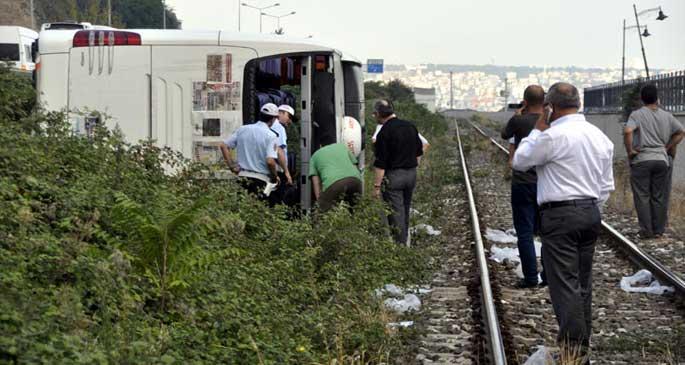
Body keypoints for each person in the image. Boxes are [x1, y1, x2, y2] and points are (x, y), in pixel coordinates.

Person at [512, 82, 614, 362]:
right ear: (578, 103)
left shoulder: (552, 136)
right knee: (583, 283)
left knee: (564, 285)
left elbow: (520, 161)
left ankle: (573, 350)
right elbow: (606, 186)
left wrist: (538, 127)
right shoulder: (599, 137)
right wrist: (591, 209)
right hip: (591, 212)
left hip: (559, 216)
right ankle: (581, 346)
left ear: (551, 107)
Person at [623, 84, 685, 238]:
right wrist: (667, 147)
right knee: (659, 196)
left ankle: (646, 231)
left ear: (642, 99)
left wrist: (630, 151)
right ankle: (658, 230)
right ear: (657, 98)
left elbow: (628, 131)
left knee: (642, 196)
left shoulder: (636, 115)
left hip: (642, 160)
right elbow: (681, 132)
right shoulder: (667, 116)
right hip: (661, 161)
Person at [501, 85, 546, 289]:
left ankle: (530, 277)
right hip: (545, 183)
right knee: (547, 232)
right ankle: (548, 275)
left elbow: (504, 134)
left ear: (525, 101)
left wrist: (517, 114)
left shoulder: (518, 120)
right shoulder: (549, 122)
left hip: (522, 182)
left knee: (525, 232)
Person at [373, 100, 424, 245]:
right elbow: (419, 151)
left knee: (396, 213)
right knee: (405, 209)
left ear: (378, 114)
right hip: (411, 174)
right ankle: (405, 241)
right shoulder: (410, 126)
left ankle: (400, 247)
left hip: (394, 176)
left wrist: (376, 187)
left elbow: (380, 163)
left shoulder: (384, 132)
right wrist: (412, 167)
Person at [220, 103, 280, 205]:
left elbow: (224, 146)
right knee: (258, 211)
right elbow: (270, 161)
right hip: (260, 180)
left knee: (240, 211)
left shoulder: (243, 129)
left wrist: (231, 166)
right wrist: (275, 176)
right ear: (273, 119)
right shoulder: (271, 136)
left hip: (242, 177)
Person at [309, 143, 362, 212]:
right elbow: (355, 165)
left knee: (320, 216)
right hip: (355, 179)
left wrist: (320, 203)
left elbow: (316, 182)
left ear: (320, 145)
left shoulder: (314, 156)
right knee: (356, 211)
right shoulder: (343, 146)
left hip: (334, 183)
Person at [271, 104, 295, 186]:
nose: (290, 120)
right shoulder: (279, 128)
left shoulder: (269, 125)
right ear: (282, 113)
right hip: (276, 169)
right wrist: (286, 172)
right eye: (289, 116)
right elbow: (279, 151)